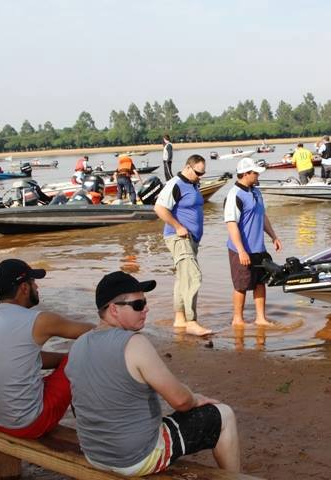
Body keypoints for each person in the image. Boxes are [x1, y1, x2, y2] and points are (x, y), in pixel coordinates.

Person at [65, 271, 240, 476]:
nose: (146, 309)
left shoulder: (79, 345)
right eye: (138, 305)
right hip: (135, 458)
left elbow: (79, 403)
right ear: (113, 309)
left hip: (94, 455)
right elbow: (181, 401)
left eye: (145, 303)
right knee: (223, 414)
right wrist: (195, 398)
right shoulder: (134, 344)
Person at [0, 259, 94, 438]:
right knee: (83, 353)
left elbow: (22, 358)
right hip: (30, 424)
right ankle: (93, 434)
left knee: (70, 360)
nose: (37, 287)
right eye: (34, 282)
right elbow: (92, 332)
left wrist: (63, 361)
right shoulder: (39, 320)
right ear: (24, 288)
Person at [154, 155, 212, 336]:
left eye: (203, 173)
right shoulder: (175, 184)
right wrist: (178, 226)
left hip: (191, 239)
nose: (200, 176)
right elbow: (159, 208)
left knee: (182, 279)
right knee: (193, 277)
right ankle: (191, 321)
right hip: (178, 238)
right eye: (198, 173)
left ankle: (180, 319)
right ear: (188, 167)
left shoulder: (193, 184)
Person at [224, 157, 282, 327]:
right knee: (241, 285)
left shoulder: (256, 192)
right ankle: (238, 319)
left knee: (260, 282)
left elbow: (262, 216)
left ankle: (260, 318)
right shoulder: (234, 195)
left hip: (259, 248)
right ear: (245, 174)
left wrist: (274, 236)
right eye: (255, 173)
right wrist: (241, 250)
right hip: (240, 249)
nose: (257, 176)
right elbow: (232, 225)